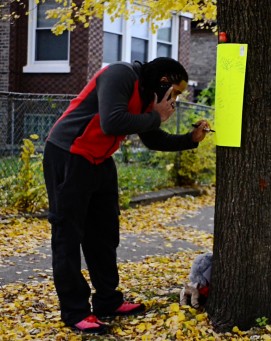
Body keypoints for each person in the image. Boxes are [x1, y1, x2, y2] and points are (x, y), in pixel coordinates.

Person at [42, 57, 211, 335]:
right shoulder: (120, 75)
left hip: (100, 160)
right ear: (163, 82)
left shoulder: (147, 95)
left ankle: (108, 300)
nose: (175, 99)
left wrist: (189, 139)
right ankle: (75, 311)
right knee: (67, 236)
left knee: (105, 234)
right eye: (176, 92)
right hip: (69, 153)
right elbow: (112, 121)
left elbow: (152, 138)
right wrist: (156, 115)